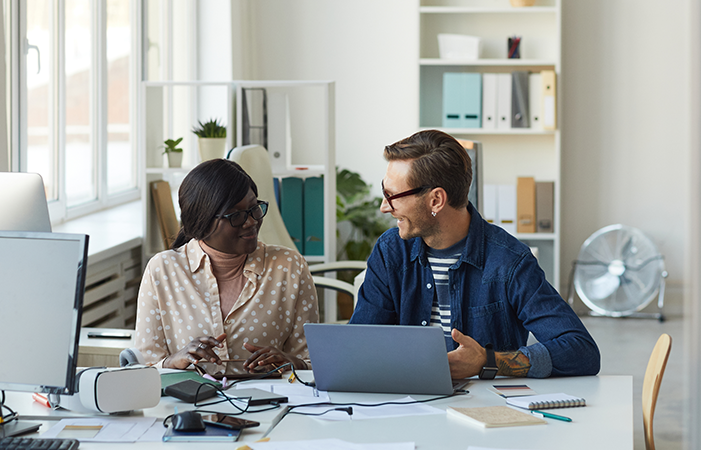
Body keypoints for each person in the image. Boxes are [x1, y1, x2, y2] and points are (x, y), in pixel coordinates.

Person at [350, 130, 600, 379]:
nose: (384, 207)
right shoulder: (390, 252)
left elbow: (581, 350)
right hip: (406, 405)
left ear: (436, 200)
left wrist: (489, 361)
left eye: (392, 196)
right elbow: (357, 345)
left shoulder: (510, 261)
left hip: (486, 409)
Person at [134, 159, 319, 374]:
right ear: (201, 222)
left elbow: (312, 361)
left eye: (254, 209)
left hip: (270, 402)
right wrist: (174, 360)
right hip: (191, 404)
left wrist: (289, 362)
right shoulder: (163, 270)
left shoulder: (288, 267)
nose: (251, 222)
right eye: (236, 215)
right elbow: (144, 367)